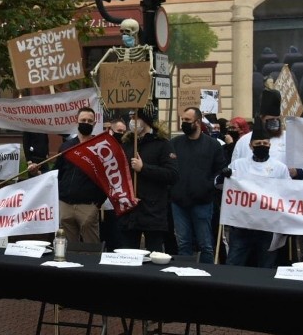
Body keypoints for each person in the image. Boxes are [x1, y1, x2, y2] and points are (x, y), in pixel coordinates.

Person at [232, 89, 303, 263]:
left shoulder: (290, 139)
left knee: (275, 256)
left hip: (277, 210)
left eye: (277, 120)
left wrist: (295, 172)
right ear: (261, 118)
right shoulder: (243, 141)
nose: (274, 123)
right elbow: (233, 171)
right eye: (270, 120)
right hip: (248, 212)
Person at [28, 107, 106, 243]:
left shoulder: (98, 148)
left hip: (88, 206)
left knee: (91, 248)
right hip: (65, 205)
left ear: (94, 124)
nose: (86, 123)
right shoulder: (66, 147)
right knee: (67, 248)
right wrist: (38, 172)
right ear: (77, 121)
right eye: (83, 120)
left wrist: (97, 204)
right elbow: (57, 173)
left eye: (89, 121)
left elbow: (105, 179)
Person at [223, 118, 290, 268]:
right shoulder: (238, 165)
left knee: (266, 266)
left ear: (269, 146)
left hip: (267, 227)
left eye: (265, 144)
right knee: (234, 264)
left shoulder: (280, 168)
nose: (262, 146)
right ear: (250, 146)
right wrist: (223, 176)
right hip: (242, 226)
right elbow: (220, 185)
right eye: (258, 144)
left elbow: (287, 193)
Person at [170, 106, 226, 263]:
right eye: (183, 120)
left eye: (187, 120)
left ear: (198, 122)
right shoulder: (174, 143)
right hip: (178, 202)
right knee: (183, 243)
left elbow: (219, 170)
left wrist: (207, 186)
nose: (184, 123)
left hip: (202, 202)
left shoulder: (213, 145)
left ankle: (207, 279)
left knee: (205, 245)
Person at [121, 106, 179, 252]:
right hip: (130, 212)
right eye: (130, 118)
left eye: (135, 117)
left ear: (145, 120)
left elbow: (172, 175)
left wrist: (144, 168)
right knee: (129, 254)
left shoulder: (162, 144)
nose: (132, 121)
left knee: (154, 253)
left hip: (153, 211)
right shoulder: (127, 144)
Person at [100, 117, 128, 250]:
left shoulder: (127, 149)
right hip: (103, 202)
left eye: (123, 131)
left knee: (116, 238)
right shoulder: (102, 147)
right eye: (119, 130)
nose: (121, 134)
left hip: (119, 200)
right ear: (110, 131)